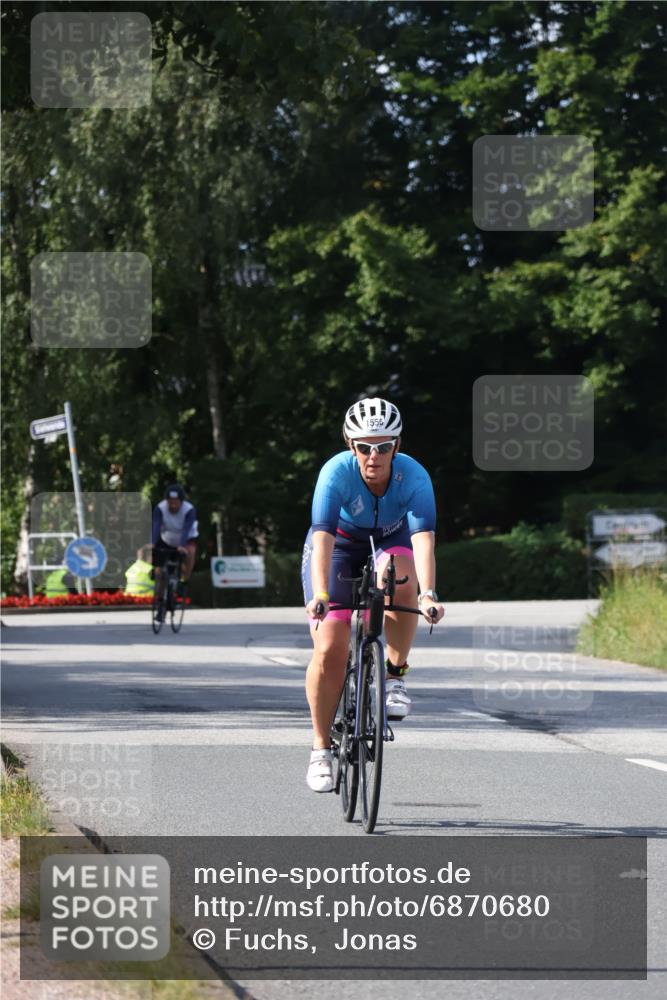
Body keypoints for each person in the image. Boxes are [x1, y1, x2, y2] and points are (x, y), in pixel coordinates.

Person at [301, 397, 445, 792]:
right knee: (329, 647)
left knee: (400, 573)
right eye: (364, 446)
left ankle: (395, 676)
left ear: (396, 447)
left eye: (383, 447)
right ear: (351, 446)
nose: (373, 455)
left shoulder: (414, 477)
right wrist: (323, 594)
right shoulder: (335, 474)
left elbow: (423, 541)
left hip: (392, 542)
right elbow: (323, 538)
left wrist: (428, 594)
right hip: (340, 547)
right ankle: (320, 749)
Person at [152, 484, 198, 599]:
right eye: (170, 502)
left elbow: (187, 529)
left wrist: (182, 545)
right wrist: (152, 543)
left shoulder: (189, 510)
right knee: (158, 558)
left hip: (186, 539)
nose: (172, 505)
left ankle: (183, 581)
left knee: (191, 552)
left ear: (181, 502)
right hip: (167, 537)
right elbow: (156, 526)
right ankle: (160, 596)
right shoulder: (160, 508)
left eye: (175, 502)